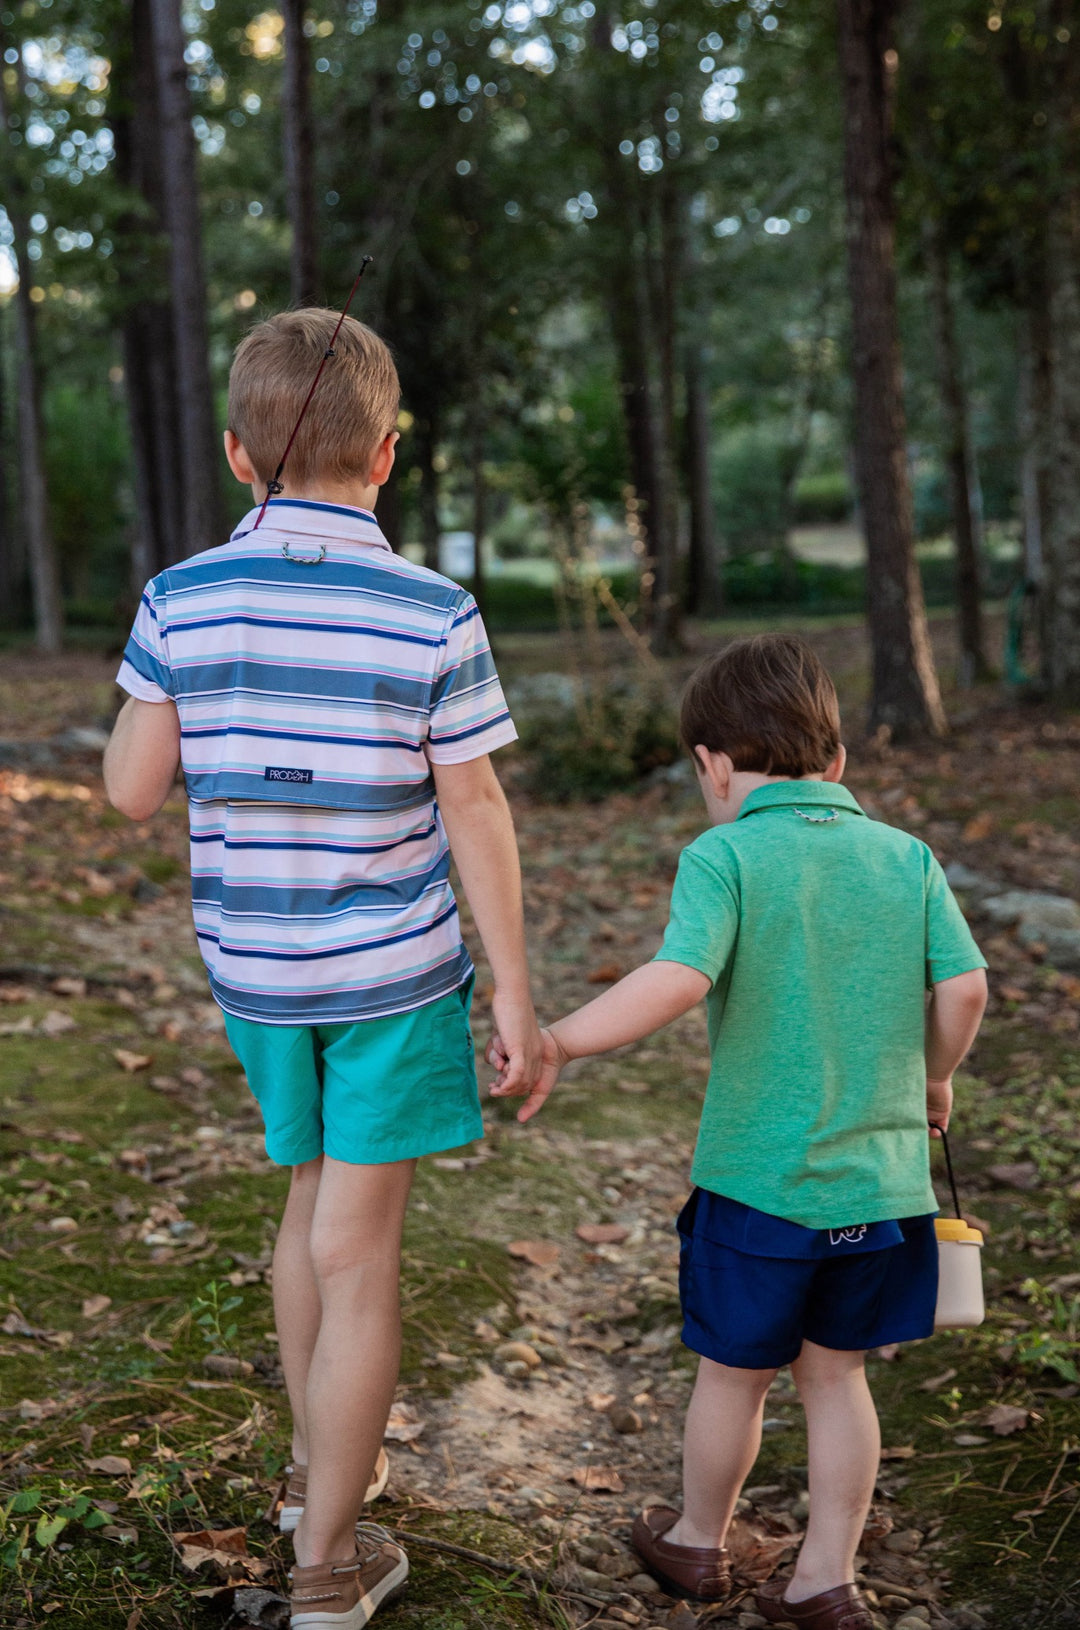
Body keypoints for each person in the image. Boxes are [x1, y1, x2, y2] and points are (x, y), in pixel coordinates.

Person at [104, 309, 541, 1630]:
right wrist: (514, 987)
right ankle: (326, 1568)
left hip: (258, 977)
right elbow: (474, 809)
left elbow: (131, 790)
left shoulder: (181, 597)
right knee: (361, 1251)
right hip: (391, 981)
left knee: (311, 1207)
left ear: (239, 453)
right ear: (390, 455)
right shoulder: (431, 610)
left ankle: (314, 1476)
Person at [490, 633, 987, 1630]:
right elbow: (966, 986)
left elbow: (679, 977)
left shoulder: (725, 854)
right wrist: (933, 1079)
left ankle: (696, 1543)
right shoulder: (907, 856)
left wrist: (561, 1042)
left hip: (758, 1187)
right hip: (882, 1188)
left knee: (736, 1371)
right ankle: (823, 1578)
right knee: (836, 1376)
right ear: (837, 760)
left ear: (714, 766)